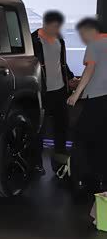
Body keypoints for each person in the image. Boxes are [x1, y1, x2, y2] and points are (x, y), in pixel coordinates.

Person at [31, 10, 77, 173]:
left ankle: (60, 163)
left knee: (61, 128)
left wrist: (70, 77)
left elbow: (61, 62)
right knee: (39, 130)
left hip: (60, 91)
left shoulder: (59, 39)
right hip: (42, 92)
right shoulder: (33, 41)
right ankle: (36, 164)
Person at [67, 17, 107, 188]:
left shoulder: (94, 44)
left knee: (81, 137)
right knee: (102, 138)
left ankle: (81, 177)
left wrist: (76, 94)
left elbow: (90, 69)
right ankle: (101, 177)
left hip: (96, 97)